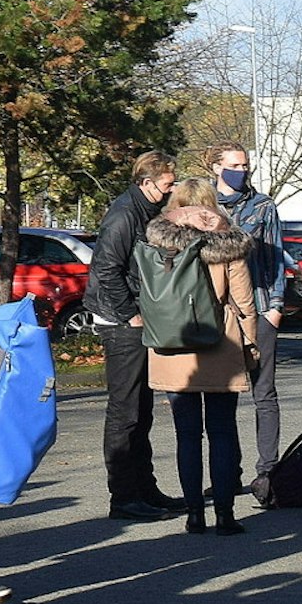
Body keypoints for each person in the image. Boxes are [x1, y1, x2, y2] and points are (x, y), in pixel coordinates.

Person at [145, 179, 260, 534]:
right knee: (222, 431)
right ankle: (225, 515)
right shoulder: (227, 244)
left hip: (172, 342)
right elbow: (244, 301)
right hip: (219, 341)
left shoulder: (159, 243)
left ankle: (194, 514)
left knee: (187, 435)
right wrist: (251, 344)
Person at [85, 150, 183, 521]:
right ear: (146, 182)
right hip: (119, 321)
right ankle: (124, 496)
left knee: (141, 409)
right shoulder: (124, 214)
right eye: (166, 184)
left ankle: (145, 489)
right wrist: (130, 314)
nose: (171, 190)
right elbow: (106, 268)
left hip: (131, 317)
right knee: (125, 411)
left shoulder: (144, 210)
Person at [208, 144, 286, 499]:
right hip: (218, 313)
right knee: (221, 396)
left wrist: (275, 306)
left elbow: (275, 257)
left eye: (245, 165)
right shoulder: (203, 205)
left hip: (259, 307)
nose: (242, 171)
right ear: (216, 167)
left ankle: (268, 471)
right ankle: (226, 473)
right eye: (235, 165)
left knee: (263, 392)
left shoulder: (262, 206)